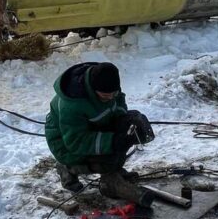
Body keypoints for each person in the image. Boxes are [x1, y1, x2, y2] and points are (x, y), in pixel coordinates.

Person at [44, 61, 154, 204]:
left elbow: (119, 103)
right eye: (105, 96)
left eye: (113, 94)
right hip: (66, 144)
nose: (110, 98)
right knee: (108, 157)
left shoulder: (109, 86)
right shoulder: (72, 104)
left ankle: (113, 172)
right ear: (93, 89)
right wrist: (113, 141)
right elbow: (76, 141)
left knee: (126, 128)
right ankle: (67, 167)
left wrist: (125, 123)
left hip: (92, 127)